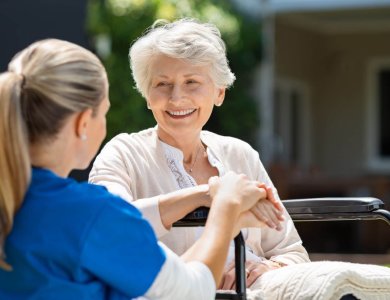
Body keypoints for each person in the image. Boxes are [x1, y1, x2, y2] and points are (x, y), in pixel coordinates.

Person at [0, 38, 282, 299]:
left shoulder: (16, 201)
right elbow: (191, 291)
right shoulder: (92, 214)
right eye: (106, 111)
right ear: (83, 123)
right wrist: (225, 205)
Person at [89, 18, 310, 291]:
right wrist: (208, 194)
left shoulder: (240, 155)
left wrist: (265, 268)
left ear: (219, 92)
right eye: (162, 84)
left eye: (191, 82)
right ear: (147, 95)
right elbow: (109, 228)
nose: (176, 97)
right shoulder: (122, 154)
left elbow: (292, 252)